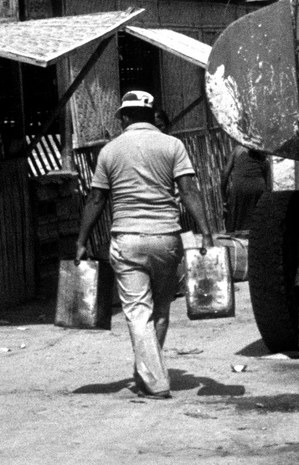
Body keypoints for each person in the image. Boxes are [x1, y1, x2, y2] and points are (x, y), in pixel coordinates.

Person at [75, 90, 214, 399]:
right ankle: (150, 371)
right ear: (151, 116)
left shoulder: (109, 151)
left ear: (125, 117)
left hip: (127, 239)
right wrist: (206, 231)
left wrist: (82, 240)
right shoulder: (173, 145)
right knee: (161, 309)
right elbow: (189, 191)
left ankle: (154, 382)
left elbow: (96, 199)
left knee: (139, 313)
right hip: (166, 238)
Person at [223, 143, 271, 232]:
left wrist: (224, 199)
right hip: (259, 188)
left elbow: (225, 175)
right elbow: (269, 187)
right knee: (257, 223)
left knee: (234, 223)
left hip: (239, 187)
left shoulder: (238, 150)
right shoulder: (264, 153)